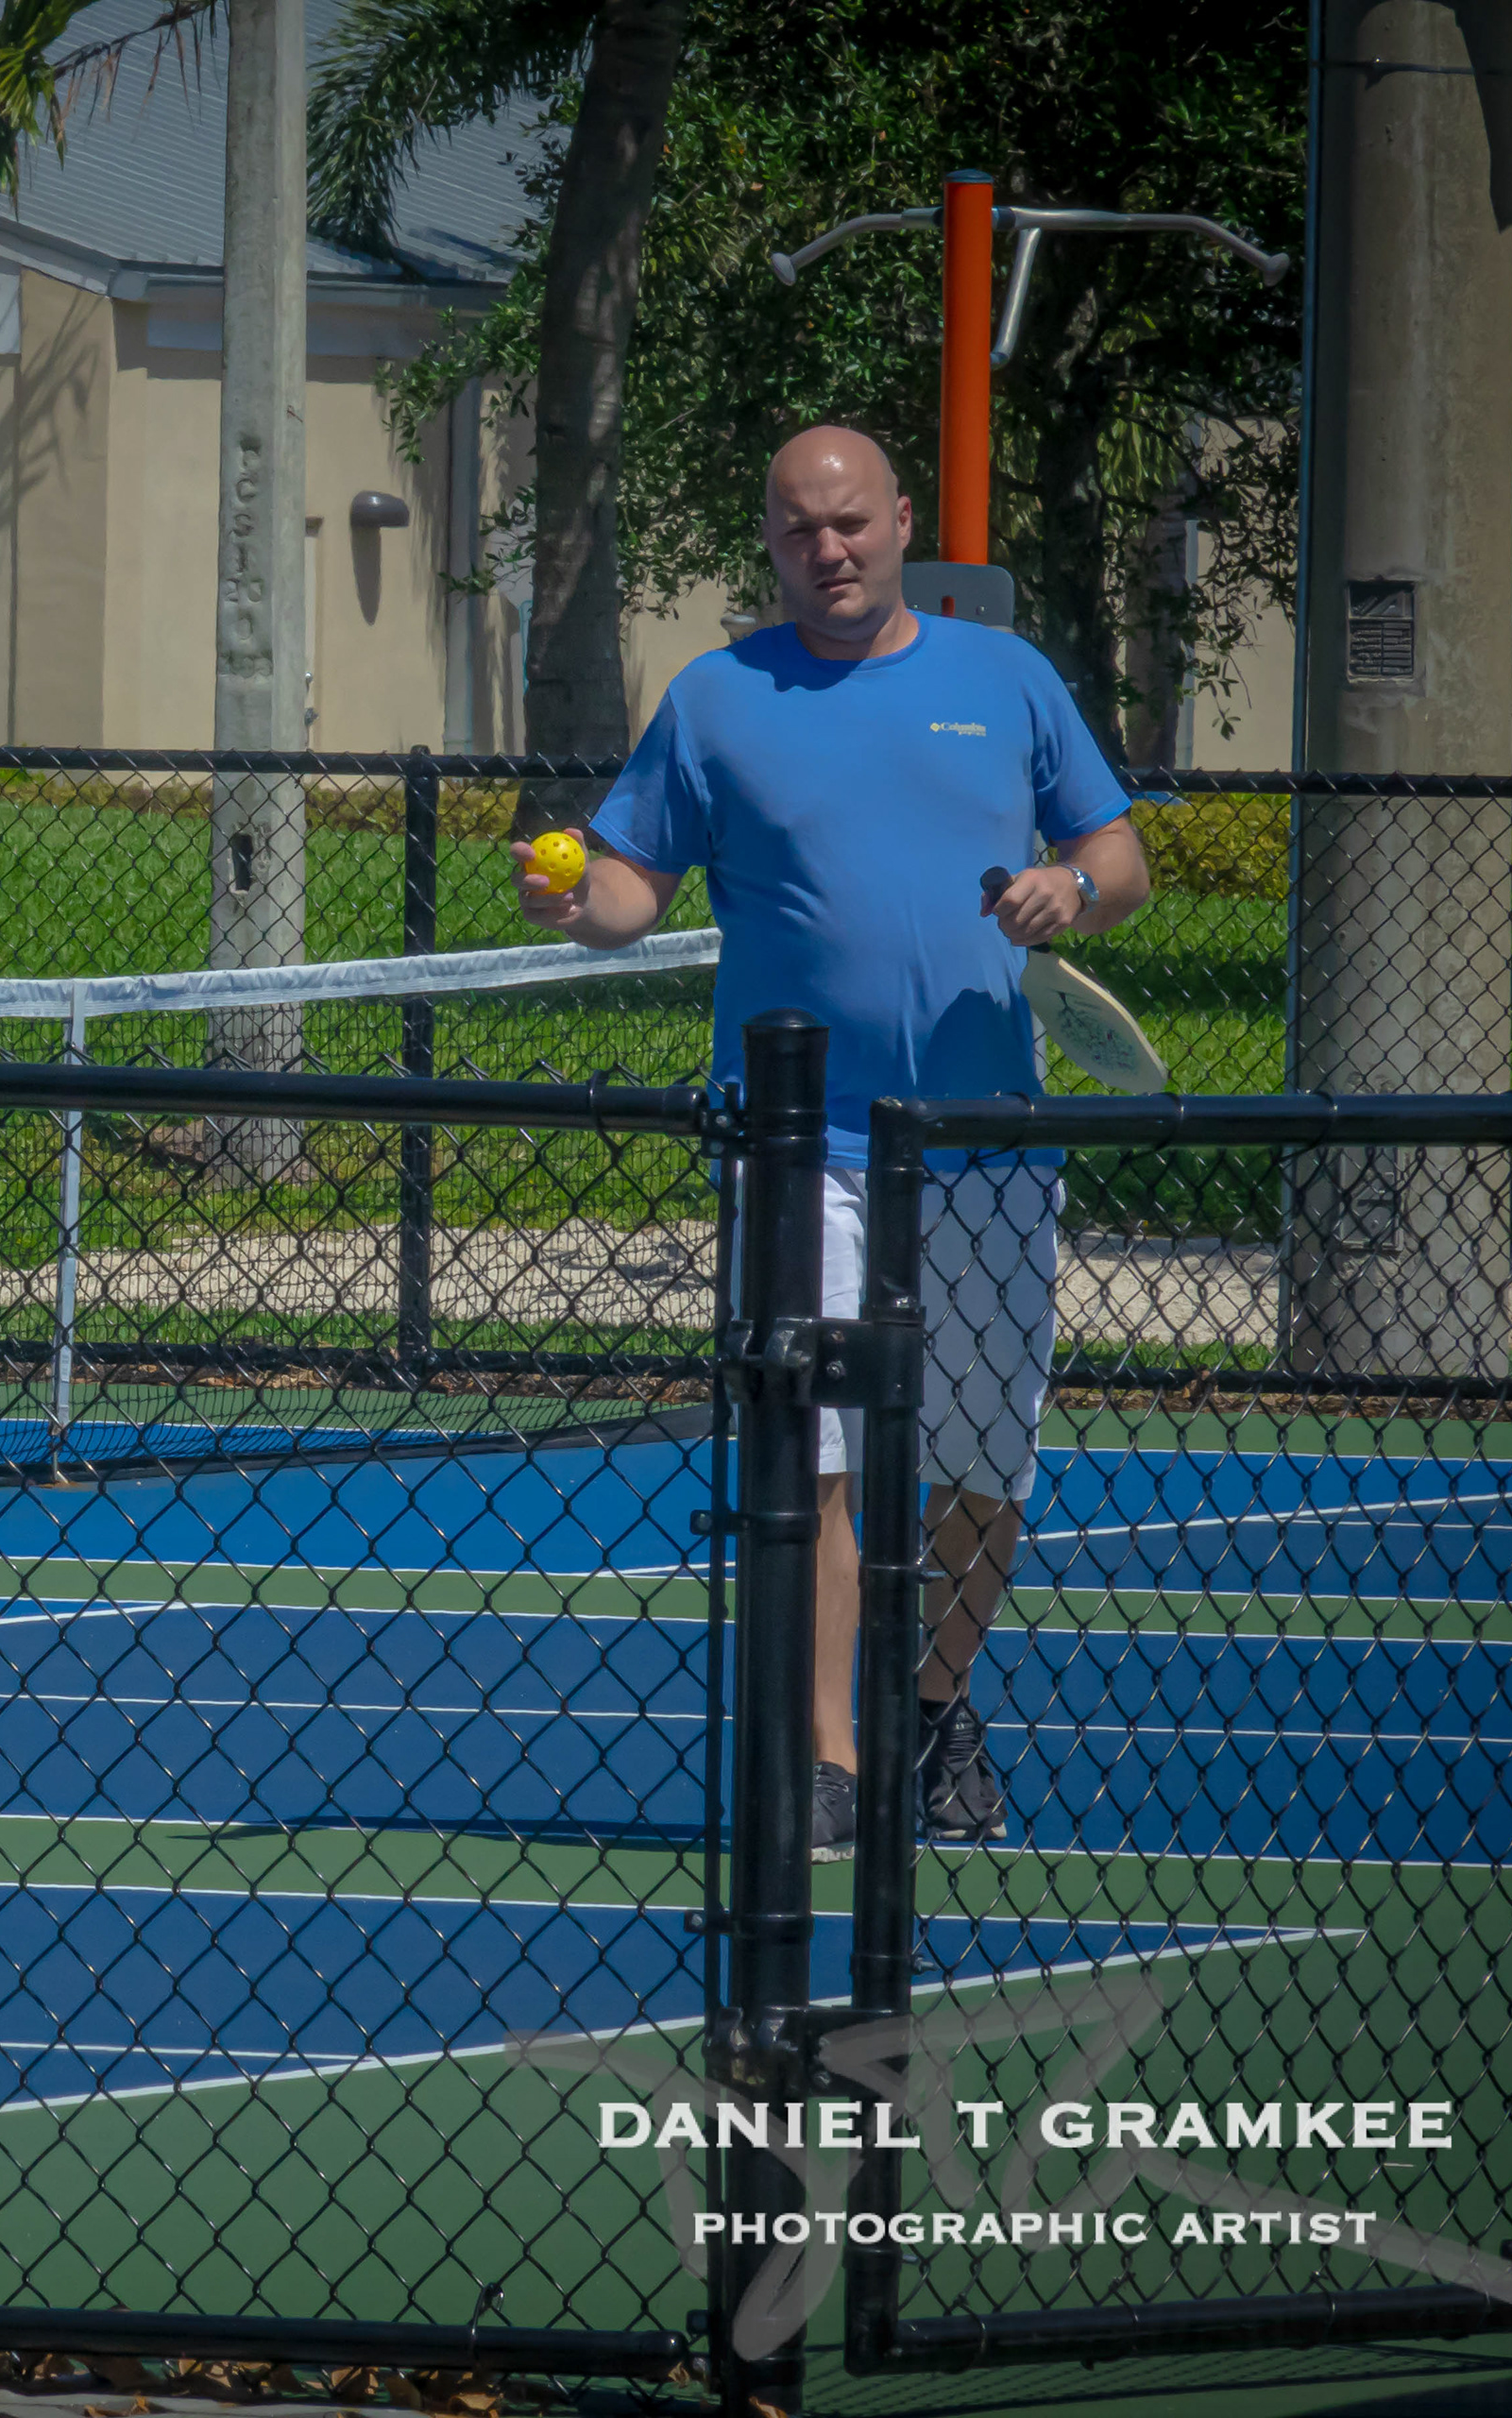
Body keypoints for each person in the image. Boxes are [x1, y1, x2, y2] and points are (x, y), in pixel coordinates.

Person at [516, 423, 1150, 1860]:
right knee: (815, 1458)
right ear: (771, 540)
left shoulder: (1006, 678)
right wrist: (573, 898)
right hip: (801, 1145)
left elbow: (1118, 859)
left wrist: (1071, 887)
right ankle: (826, 1758)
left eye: (852, 522)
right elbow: (630, 888)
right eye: (801, 528)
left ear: (902, 521)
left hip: (989, 1142)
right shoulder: (715, 698)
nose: (830, 549)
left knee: (982, 1458)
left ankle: (932, 1707)